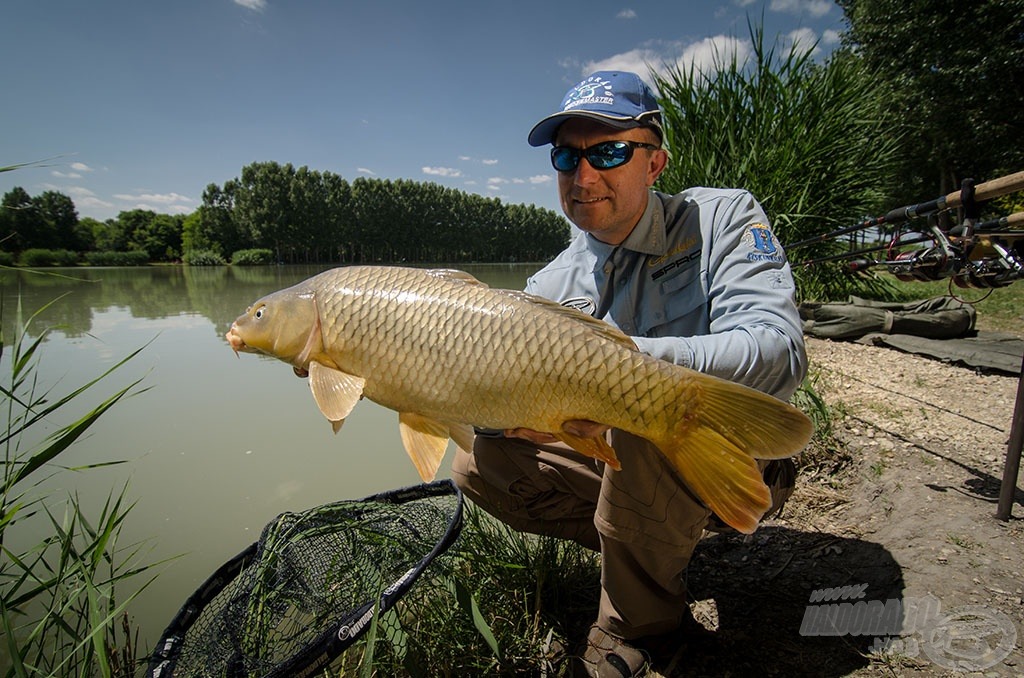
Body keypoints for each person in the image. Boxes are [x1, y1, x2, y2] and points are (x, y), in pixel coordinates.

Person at [451, 70, 808, 677]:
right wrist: (502, 415)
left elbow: (779, 351)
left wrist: (620, 372)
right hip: (628, 468)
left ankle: (639, 628)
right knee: (477, 464)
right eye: (568, 156)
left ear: (655, 164)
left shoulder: (721, 218)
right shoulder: (549, 286)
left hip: (736, 459)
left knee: (640, 418)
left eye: (610, 152)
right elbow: (502, 410)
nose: (584, 176)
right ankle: (647, 551)